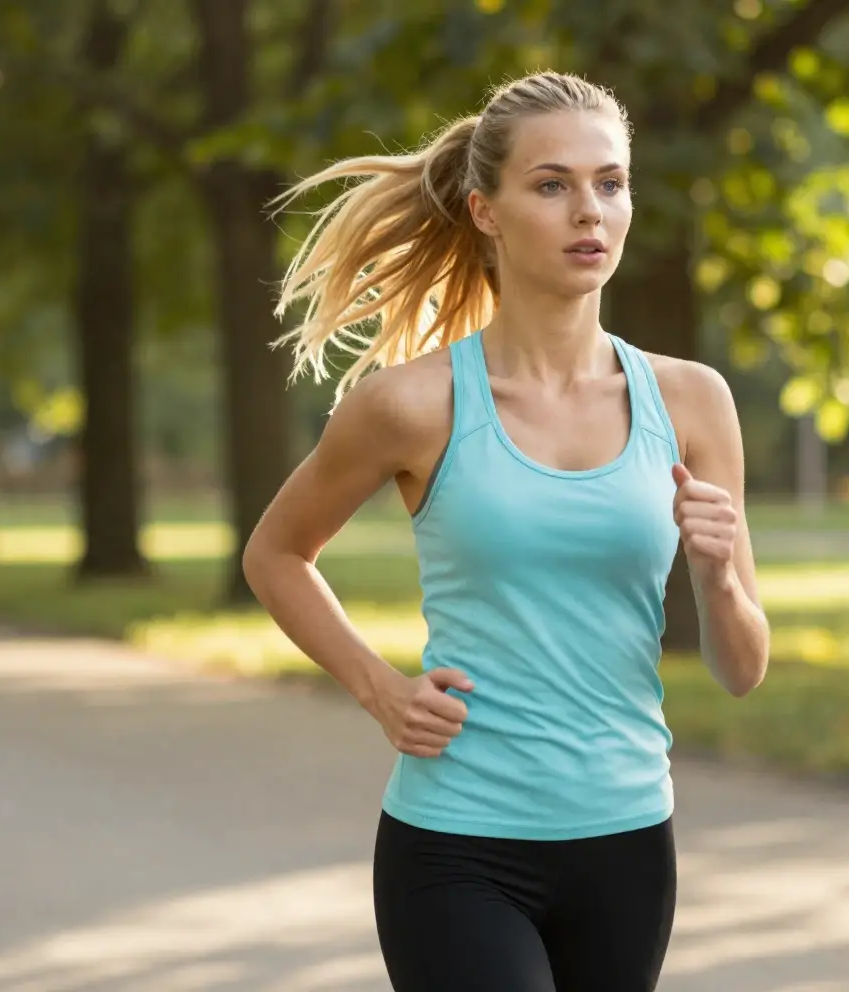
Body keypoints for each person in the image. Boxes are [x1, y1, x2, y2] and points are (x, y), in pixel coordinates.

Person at [240, 71, 771, 991]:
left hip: (628, 841)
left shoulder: (690, 401)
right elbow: (276, 554)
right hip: (457, 846)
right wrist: (379, 691)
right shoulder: (412, 404)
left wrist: (719, 576)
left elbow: (742, 669)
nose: (589, 213)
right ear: (486, 211)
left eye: (611, 183)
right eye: (553, 184)